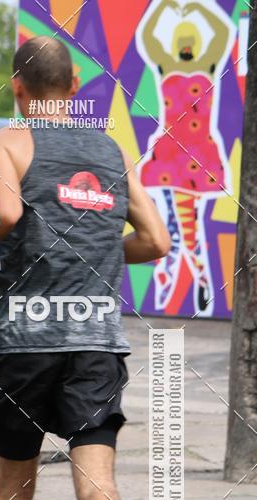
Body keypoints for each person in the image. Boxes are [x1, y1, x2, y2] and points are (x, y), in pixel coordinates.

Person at [0, 36, 170, 500]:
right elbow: (156, 241)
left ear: (19, 89)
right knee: (98, 481)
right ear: (77, 87)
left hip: (25, 341)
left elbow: (4, 213)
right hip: (97, 339)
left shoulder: (5, 142)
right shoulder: (112, 150)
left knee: (12, 492)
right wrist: (95, 249)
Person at [138, 0, 233, 314]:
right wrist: (164, 5)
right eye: (183, 41)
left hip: (197, 154)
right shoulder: (168, 67)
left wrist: (197, 7)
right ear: (177, 45)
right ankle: (195, 280)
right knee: (180, 224)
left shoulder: (206, 67)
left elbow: (221, 35)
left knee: (182, 226)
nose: (188, 45)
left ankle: (182, 278)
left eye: (192, 40)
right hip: (170, 153)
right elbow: (150, 38)